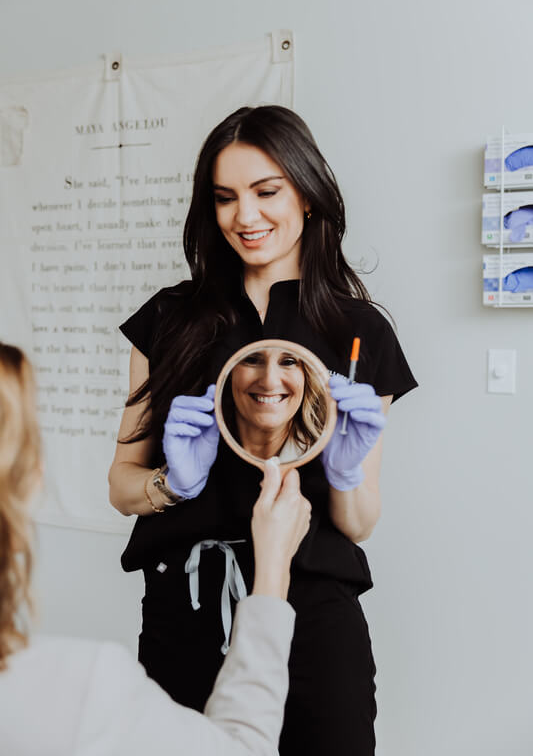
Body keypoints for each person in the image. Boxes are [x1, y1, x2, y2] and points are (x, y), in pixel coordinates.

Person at [109, 105, 418, 756]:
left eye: (264, 191)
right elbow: (121, 483)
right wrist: (172, 481)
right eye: (224, 198)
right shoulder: (167, 320)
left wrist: (343, 470)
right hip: (183, 608)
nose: (244, 216)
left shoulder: (359, 333)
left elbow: (357, 523)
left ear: (305, 193)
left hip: (314, 615)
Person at [0, 342, 312, 756]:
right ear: (31, 479)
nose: (269, 378)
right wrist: (273, 569)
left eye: (288, 361)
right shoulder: (80, 692)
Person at [225, 346, 328, 461]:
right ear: (230, 373)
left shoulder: (327, 458)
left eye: (288, 362)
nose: (269, 383)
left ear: (306, 377)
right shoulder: (206, 449)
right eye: (252, 360)